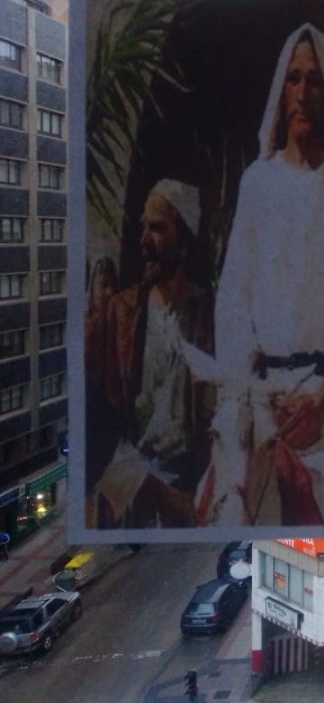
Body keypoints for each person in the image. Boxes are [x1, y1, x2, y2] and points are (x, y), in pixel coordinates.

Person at [206, 24, 324, 527]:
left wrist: (323, 399)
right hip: (265, 412)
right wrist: (254, 399)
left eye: (314, 81)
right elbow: (234, 305)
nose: (304, 93)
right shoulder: (257, 184)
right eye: (293, 80)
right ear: (281, 92)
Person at [87, 180, 215, 528]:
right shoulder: (121, 314)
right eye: (143, 228)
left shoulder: (211, 316)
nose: (145, 240)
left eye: (157, 228)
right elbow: (93, 417)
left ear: (184, 236)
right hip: (131, 490)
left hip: (193, 491)